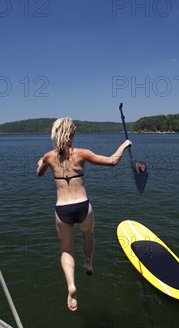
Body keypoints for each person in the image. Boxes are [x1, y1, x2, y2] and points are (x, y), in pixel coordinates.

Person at [37, 117, 131, 312]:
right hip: (82, 206)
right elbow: (112, 161)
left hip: (62, 209)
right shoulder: (82, 153)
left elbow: (39, 173)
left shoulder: (48, 157)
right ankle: (88, 264)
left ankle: (71, 285)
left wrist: (41, 162)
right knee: (88, 235)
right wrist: (124, 144)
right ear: (72, 133)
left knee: (66, 250)